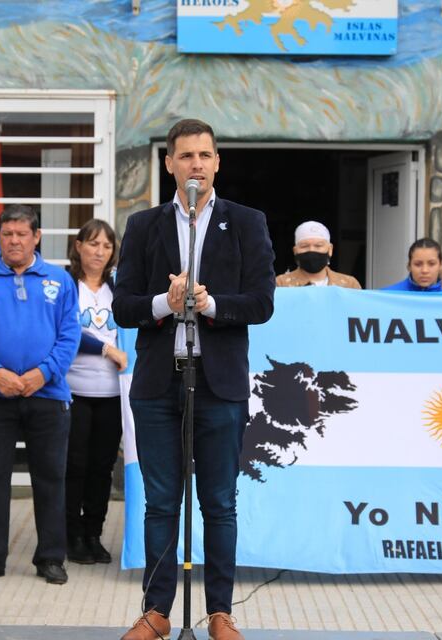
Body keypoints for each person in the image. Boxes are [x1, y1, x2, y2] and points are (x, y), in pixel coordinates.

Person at [113, 119, 275, 640]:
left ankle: (220, 612)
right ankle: (157, 611)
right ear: (169, 164)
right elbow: (124, 304)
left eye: (205, 155)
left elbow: (262, 302)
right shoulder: (144, 226)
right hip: (160, 382)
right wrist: (167, 301)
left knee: (219, 502)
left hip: (219, 382)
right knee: (161, 500)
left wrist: (209, 304)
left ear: (218, 162)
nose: (196, 165)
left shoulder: (247, 222)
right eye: (186, 156)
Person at [0, 204, 80, 586]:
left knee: (51, 478)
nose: (13, 241)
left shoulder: (60, 281)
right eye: (6, 234)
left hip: (48, 393)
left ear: (36, 237)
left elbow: (69, 335)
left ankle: (50, 559)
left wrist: (43, 374)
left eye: (21, 234)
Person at [64, 219, 126, 565]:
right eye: (93, 244)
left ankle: (93, 534)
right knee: (75, 466)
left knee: (102, 468)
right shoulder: (67, 285)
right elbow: (66, 330)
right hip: (74, 392)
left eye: (106, 246)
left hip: (112, 394)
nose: (100, 252)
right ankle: (71, 535)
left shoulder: (117, 289)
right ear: (78, 246)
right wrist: (105, 349)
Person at [275, 221, 360, 289]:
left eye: (318, 246)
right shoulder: (281, 284)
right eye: (304, 246)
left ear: (330, 249)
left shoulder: (349, 284)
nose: (311, 250)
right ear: (295, 251)